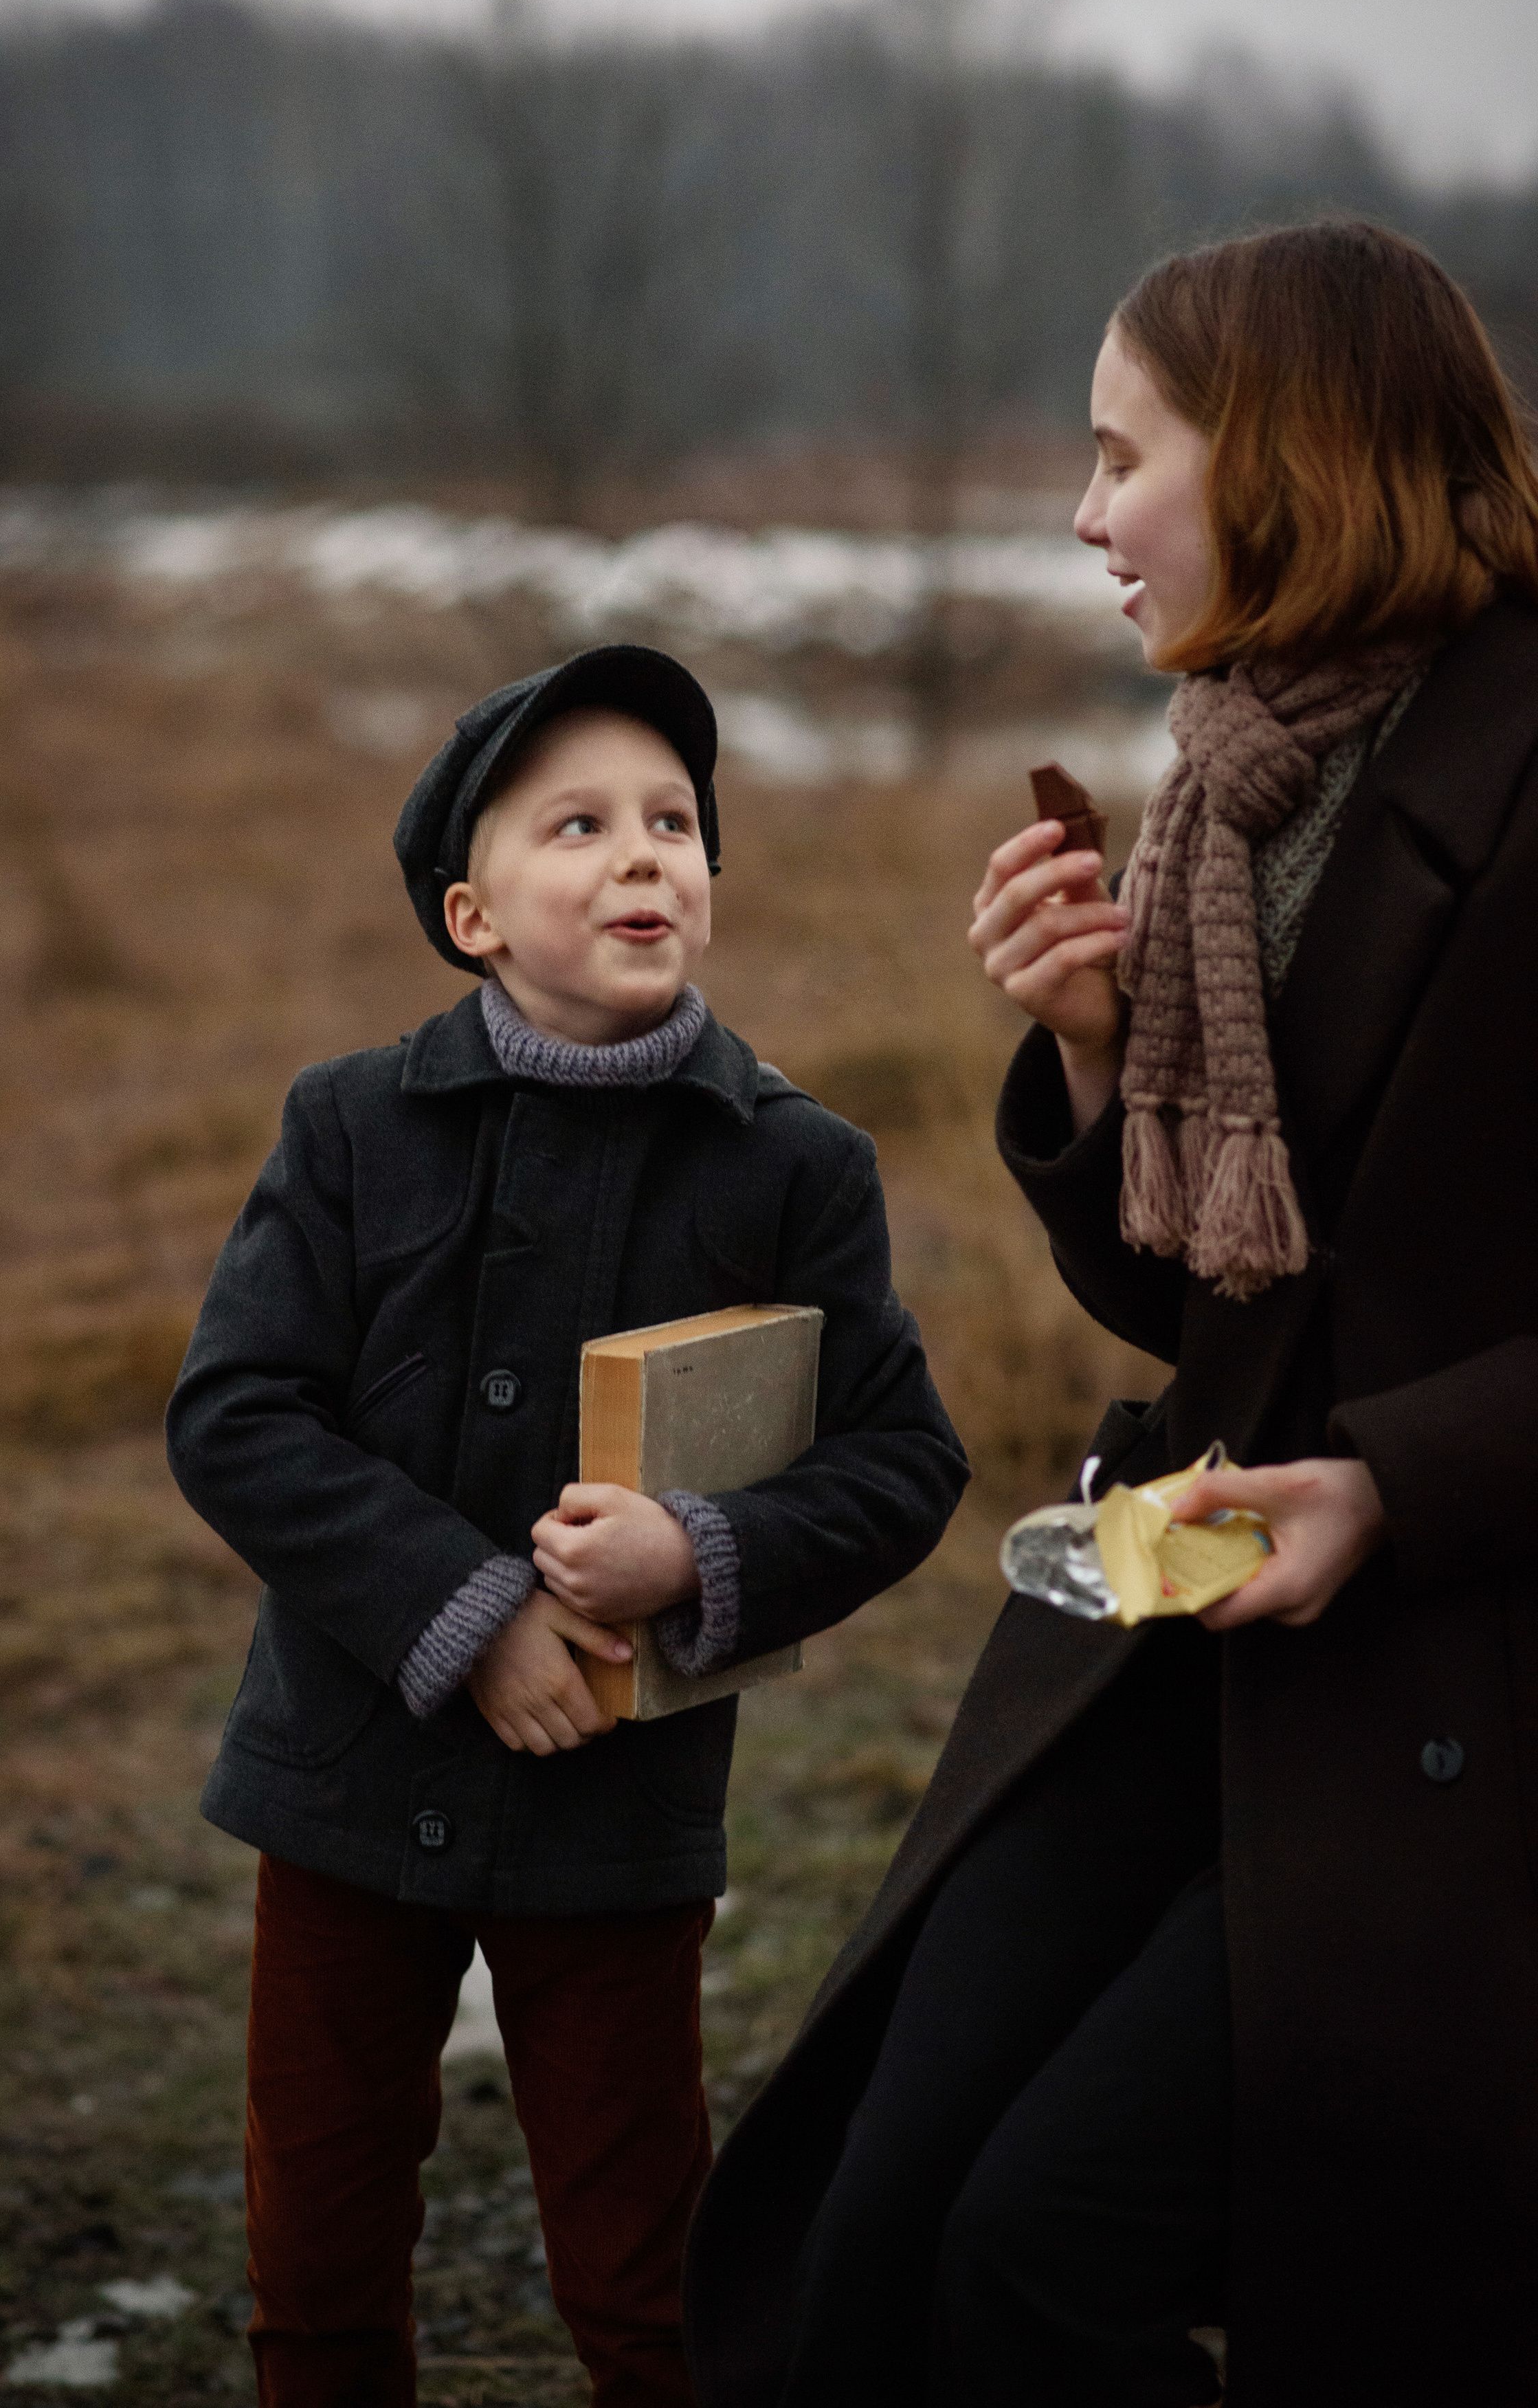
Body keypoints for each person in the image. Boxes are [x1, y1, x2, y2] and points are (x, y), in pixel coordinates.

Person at [682, 221, 1538, 2408]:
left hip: (1458, 1695)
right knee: (872, 2217)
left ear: (1291, 458)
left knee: (1041, 2253)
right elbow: (1222, 1298)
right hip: (1189, 1617)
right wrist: (1087, 1049)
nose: (1081, 516)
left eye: (1118, 452)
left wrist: (1395, 1488)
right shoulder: (1242, 766)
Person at [166, 641, 968, 2408]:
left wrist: (702, 1552)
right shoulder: (353, 1128)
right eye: (580, 824)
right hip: (345, 1786)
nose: (642, 856)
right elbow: (233, 1414)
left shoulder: (790, 1164)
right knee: (317, 2255)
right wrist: (465, 1609)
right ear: (471, 913)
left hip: (617, 1817)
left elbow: (905, 1460)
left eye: (676, 822)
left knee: (642, 2270)